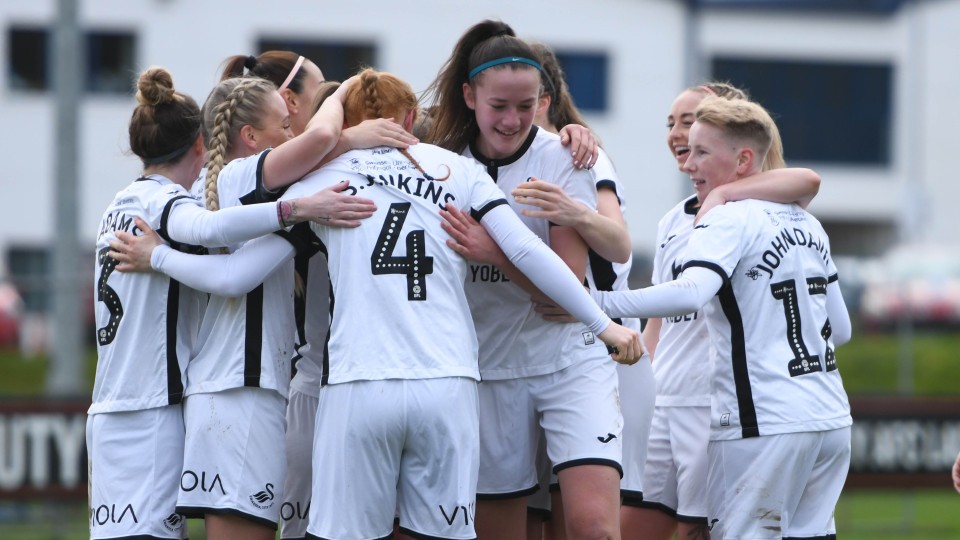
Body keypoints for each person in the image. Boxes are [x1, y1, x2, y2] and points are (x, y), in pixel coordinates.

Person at [88, 66, 364, 540]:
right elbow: (232, 268)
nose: (292, 131)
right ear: (247, 135)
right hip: (232, 392)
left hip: (188, 397)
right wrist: (303, 206)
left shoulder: (142, 198)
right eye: (283, 123)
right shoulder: (231, 180)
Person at [591, 96, 853, 540]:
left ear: (744, 159)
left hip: (764, 422)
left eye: (702, 152)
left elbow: (691, 293)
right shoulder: (807, 222)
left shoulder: (727, 217)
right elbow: (841, 329)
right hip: (830, 419)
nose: (688, 163)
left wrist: (597, 305)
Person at [424, 20, 632, 539]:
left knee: (593, 529)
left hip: (570, 359)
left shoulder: (566, 155)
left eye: (526, 105)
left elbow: (564, 287)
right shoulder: (441, 165)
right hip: (488, 370)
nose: (513, 119)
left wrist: (492, 250)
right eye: (499, 106)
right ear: (470, 96)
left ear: (543, 100)